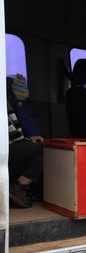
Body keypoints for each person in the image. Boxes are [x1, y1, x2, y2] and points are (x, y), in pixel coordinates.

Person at [7, 77, 44, 208]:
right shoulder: (6, 84)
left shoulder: (7, 85)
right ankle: (18, 187)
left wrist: (32, 134)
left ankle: (18, 188)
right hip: (6, 145)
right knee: (44, 149)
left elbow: (20, 114)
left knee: (32, 157)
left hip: (9, 146)